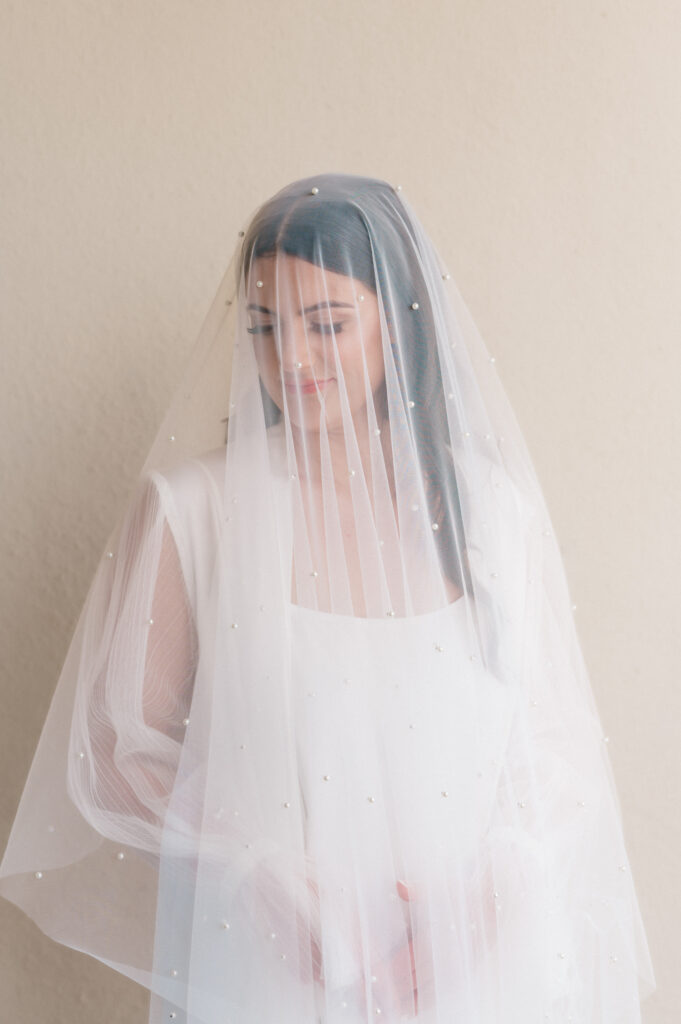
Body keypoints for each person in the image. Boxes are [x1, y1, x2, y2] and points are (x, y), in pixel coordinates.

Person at [0, 172, 656, 1023]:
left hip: (482, 967)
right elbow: (122, 750)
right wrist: (257, 876)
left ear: (400, 322)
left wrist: (481, 899)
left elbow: (556, 744)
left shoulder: (490, 511)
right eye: (265, 328)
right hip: (278, 963)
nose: (292, 361)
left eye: (328, 325)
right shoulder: (192, 512)